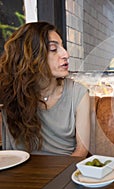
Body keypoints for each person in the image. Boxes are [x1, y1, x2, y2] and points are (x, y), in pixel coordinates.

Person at [0, 22, 90, 157]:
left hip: (63, 170)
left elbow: (81, 151)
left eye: (63, 47)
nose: (66, 54)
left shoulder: (78, 93)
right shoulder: (10, 94)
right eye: (53, 49)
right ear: (31, 57)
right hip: (19, 172)